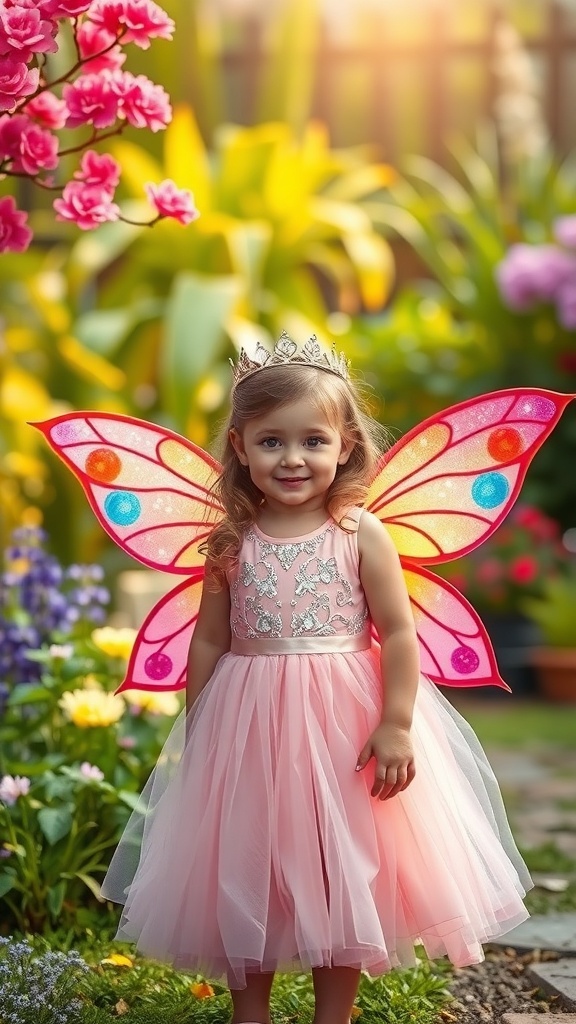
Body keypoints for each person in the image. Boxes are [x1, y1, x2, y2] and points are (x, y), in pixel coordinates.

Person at [100, 336, 531, 1024]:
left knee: (341, 866)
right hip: (249, 721)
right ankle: (252, 1010)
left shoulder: (361, 532)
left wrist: (394, 722)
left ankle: (335, 1012)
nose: (293, 459)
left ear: (346, 444)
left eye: (312, 441)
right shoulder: (230, 541)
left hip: (343, 722)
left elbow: (397, 630)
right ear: (240, 447)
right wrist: (201, 723)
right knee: (247, 862)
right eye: (272, 442)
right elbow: (210, 636)